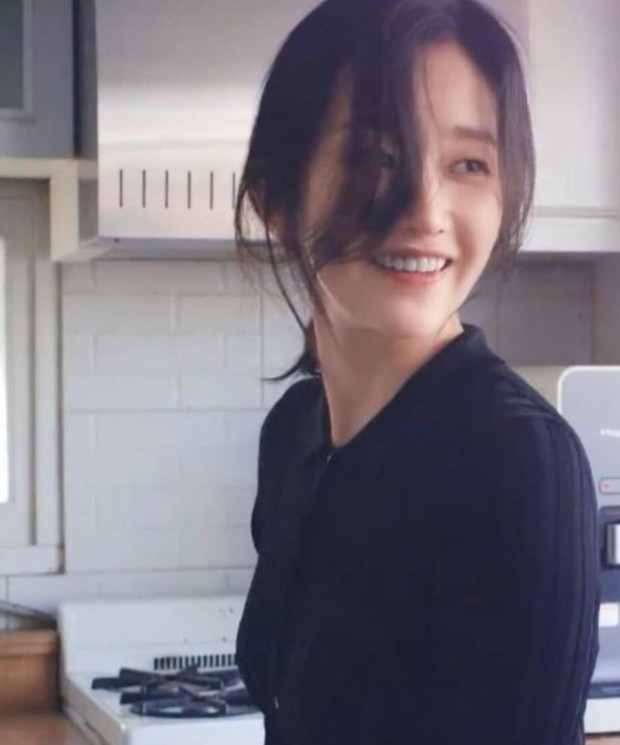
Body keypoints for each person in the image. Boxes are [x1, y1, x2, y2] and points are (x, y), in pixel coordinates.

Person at [234, 0, 601, 743]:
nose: (425, 210)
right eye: (376, 158)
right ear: (277, 196)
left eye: (469, 164)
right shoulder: (294, 436)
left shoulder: (517, 462)